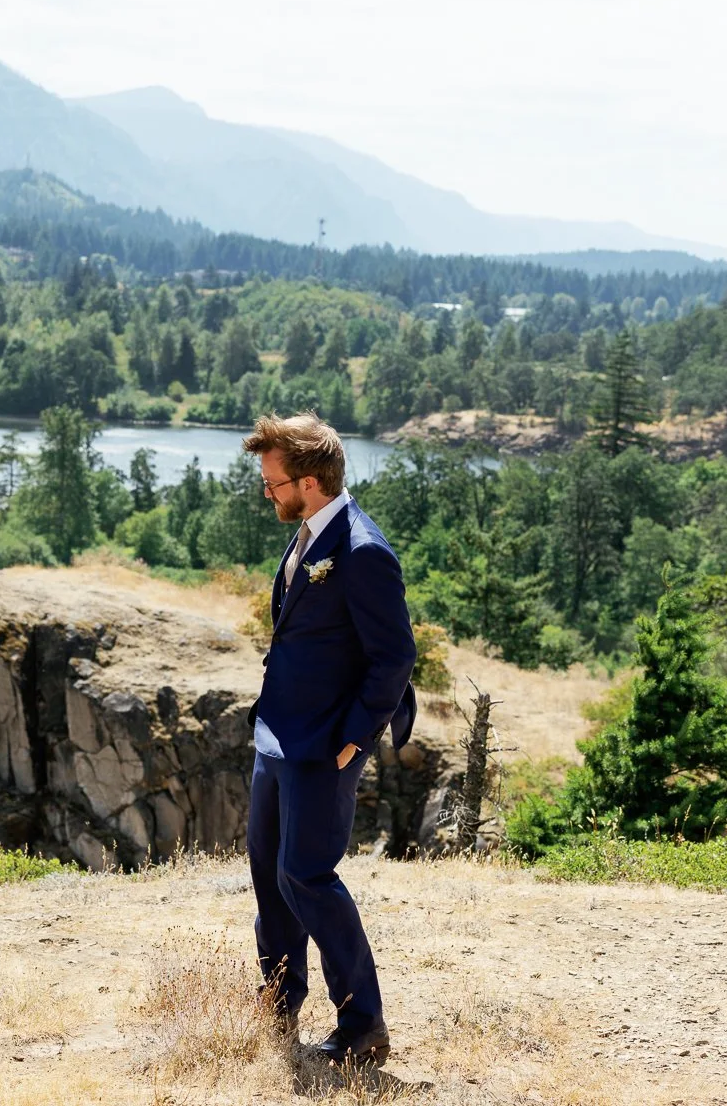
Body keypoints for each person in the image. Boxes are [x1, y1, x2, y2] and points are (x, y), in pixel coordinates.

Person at [242, 412, 417, 1069]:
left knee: (307, 874)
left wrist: (353, 740)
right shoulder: (309, 534)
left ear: (310, 482)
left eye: (274, 482)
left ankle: (363, 1022)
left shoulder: (363, 550)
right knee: (269, 872)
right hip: (278, 736)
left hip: (323, 744)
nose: (268, 492)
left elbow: (395, 657)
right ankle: (280, 999)